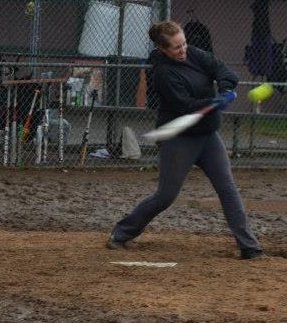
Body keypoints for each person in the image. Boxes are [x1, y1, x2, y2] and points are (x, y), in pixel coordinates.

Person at [107, 20, 263, 260]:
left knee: (227, 188)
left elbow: (222, 69)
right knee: (165, 196)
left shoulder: (194, 54)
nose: (183, 50)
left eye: (184, 44)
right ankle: (121, 233)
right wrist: (212, 103)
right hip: (180, 139)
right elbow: (185, 106)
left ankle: (249, 246)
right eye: (176, 47)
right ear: (163, 49)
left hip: (207, 135)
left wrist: (224, 89)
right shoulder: (163, 73)